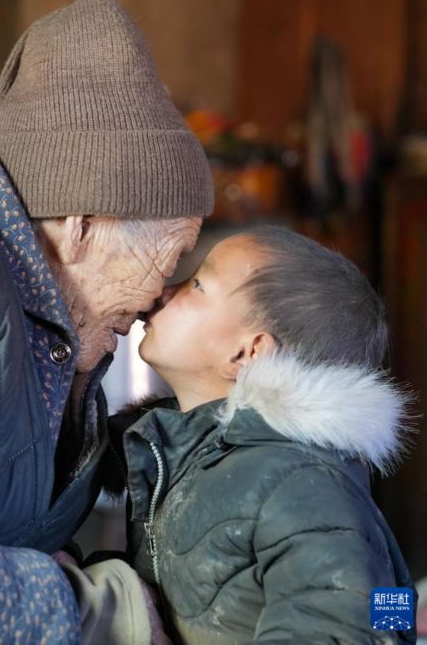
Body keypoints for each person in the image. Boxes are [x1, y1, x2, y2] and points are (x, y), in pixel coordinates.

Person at [0, 0, 213, 643]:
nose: (157, 299)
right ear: (83, 223)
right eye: (171, 258)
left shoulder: (61, 330)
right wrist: (89, 610)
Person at [105, 225, 417, 644]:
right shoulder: (182, 451)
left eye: (197, 284)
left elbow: (350, 626)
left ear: (247, 353)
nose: (163, 292)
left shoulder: (301, 485)